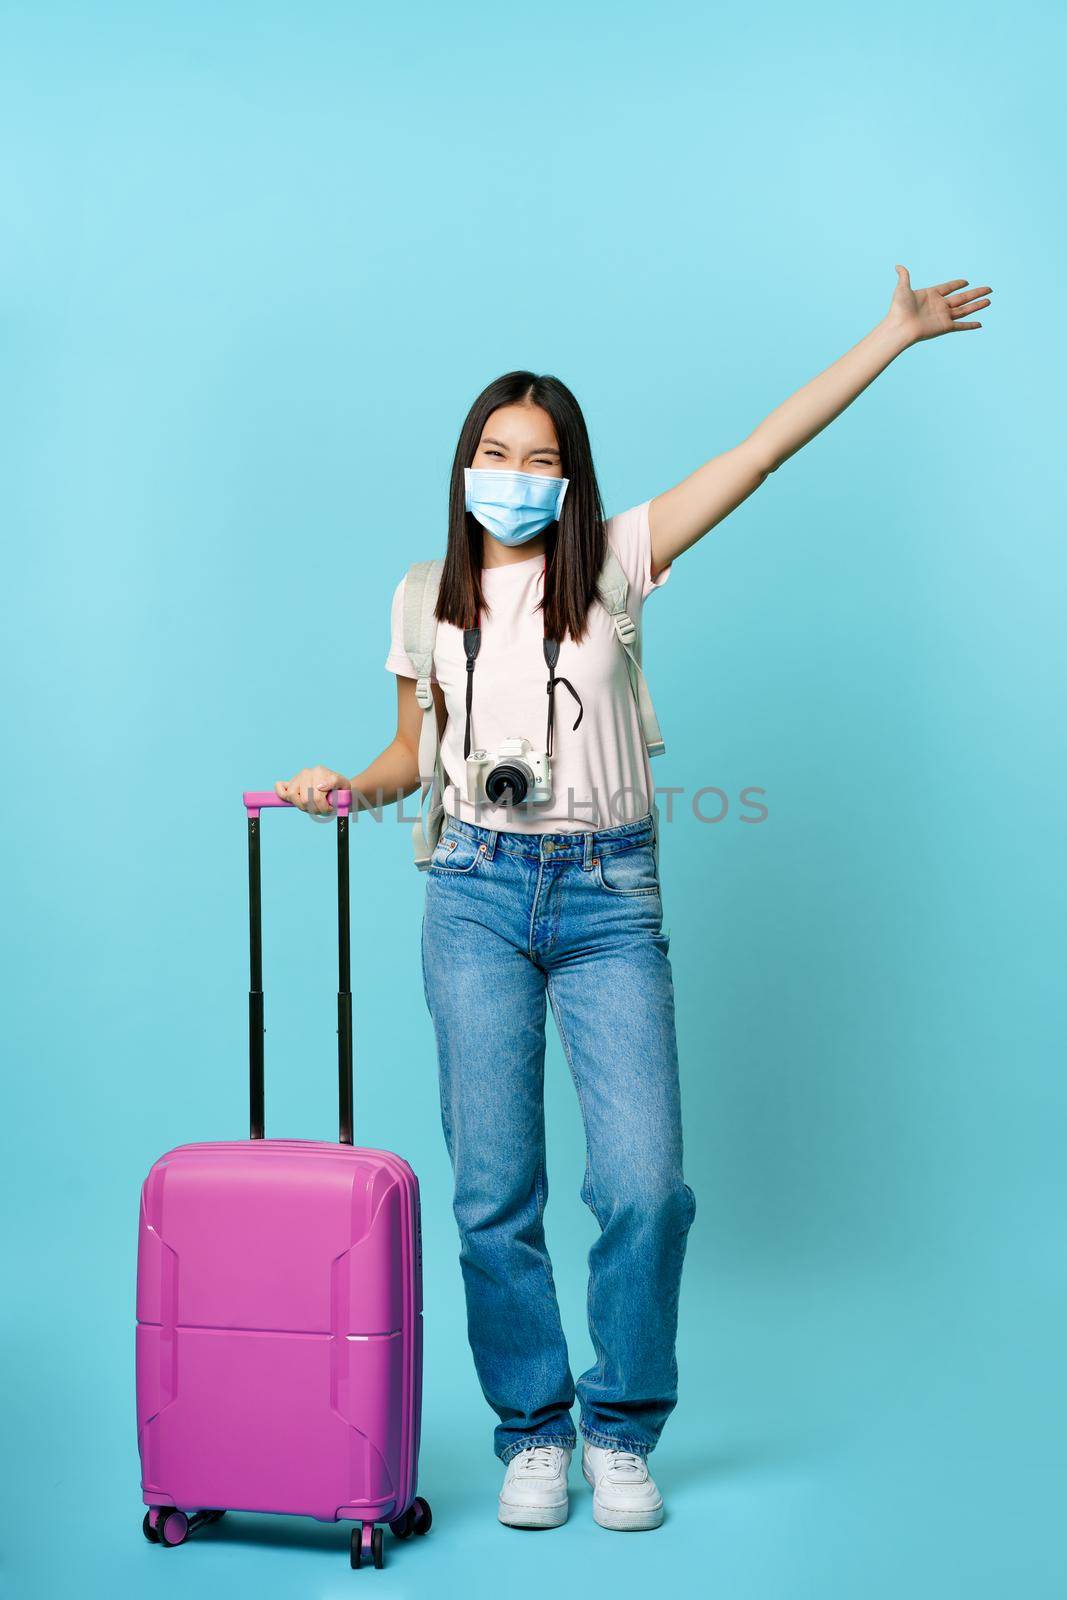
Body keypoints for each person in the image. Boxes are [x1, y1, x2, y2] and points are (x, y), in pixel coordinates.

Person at [276, 265, 992, 1532]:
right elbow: (408, 757)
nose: (511, 471)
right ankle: (532, 1430)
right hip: (473, 893)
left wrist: (889, 333)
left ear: (569, 475)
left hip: (608, 892)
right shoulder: (419, 595)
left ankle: (620, 1425)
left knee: (643, 1183)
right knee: (493, 1189)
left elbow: (757, 452)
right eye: (492, 450)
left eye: (536, 455)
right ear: (462, 465)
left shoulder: (611, 561)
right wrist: (347, 785)